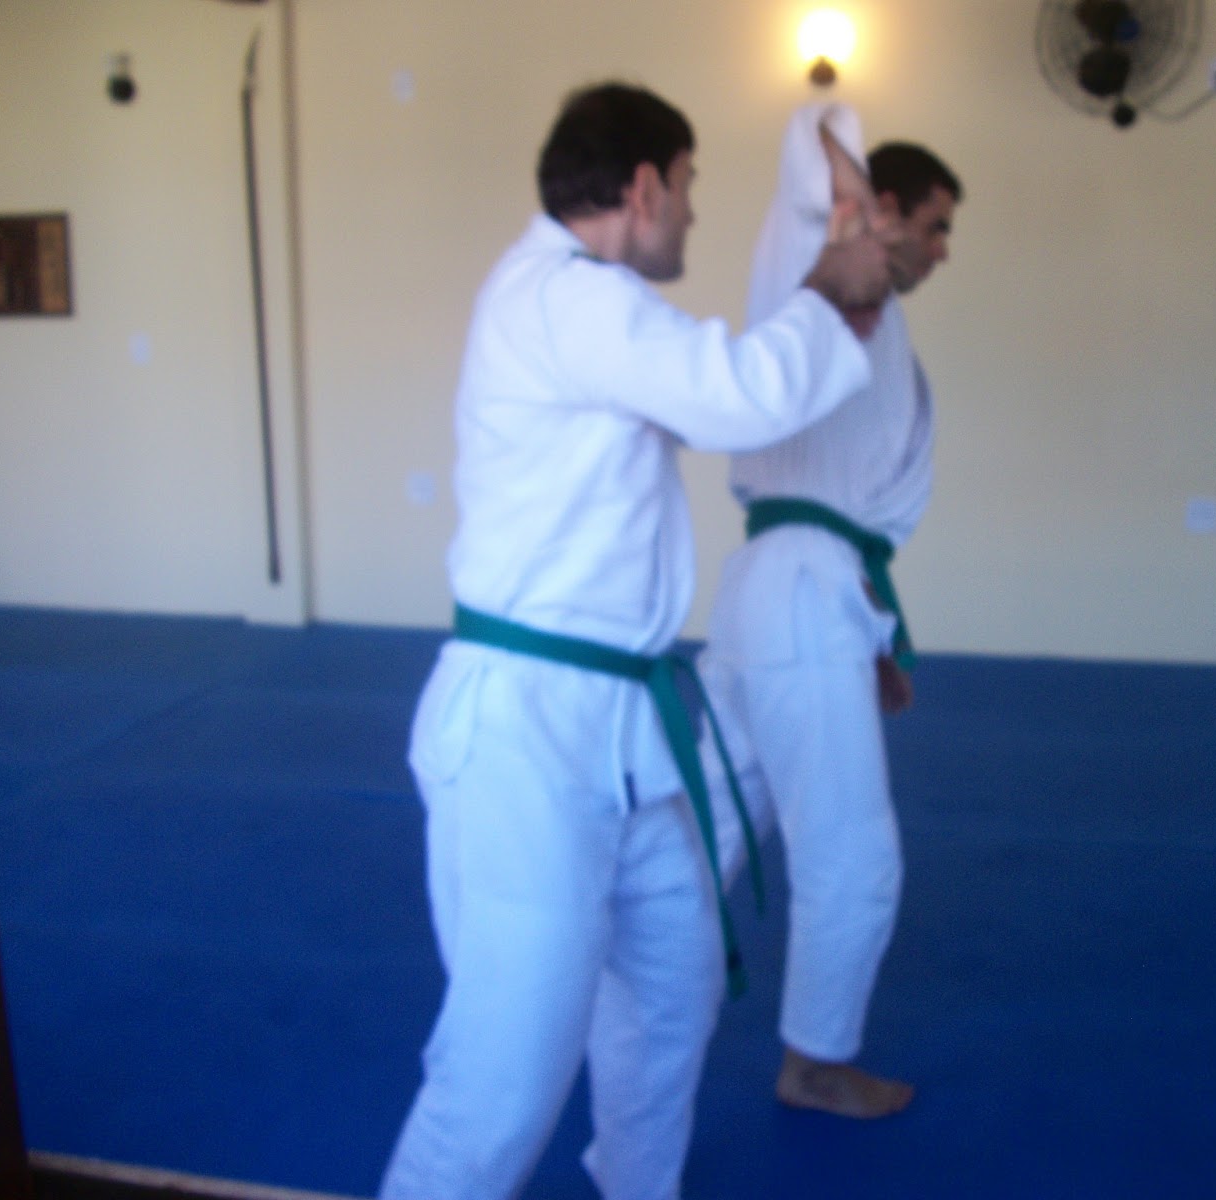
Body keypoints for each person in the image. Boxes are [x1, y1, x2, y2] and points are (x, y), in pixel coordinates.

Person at [378, 83, 892, 1200]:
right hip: (527, 735)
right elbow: (735, 394)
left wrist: (835, 290)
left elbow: (732, 389)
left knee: (669, 996)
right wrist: (825, 290)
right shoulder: (566, 298)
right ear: (646, 185)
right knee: (503, 1081)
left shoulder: (587, 310)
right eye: (690, 186)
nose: (695, 213)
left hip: (622, 734)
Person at [699, 103, 962, 1120]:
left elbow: (853, 517)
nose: (942, 250)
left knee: (714, 821)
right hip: (799, 593)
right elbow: (809, 127)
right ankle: (812, 1063)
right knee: (852, 852)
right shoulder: (816, 255)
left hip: (794, 594)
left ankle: (605, 977)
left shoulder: (874, 320)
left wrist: (873, 637)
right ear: (878, 207)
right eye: (933, 226)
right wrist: (855, 207)